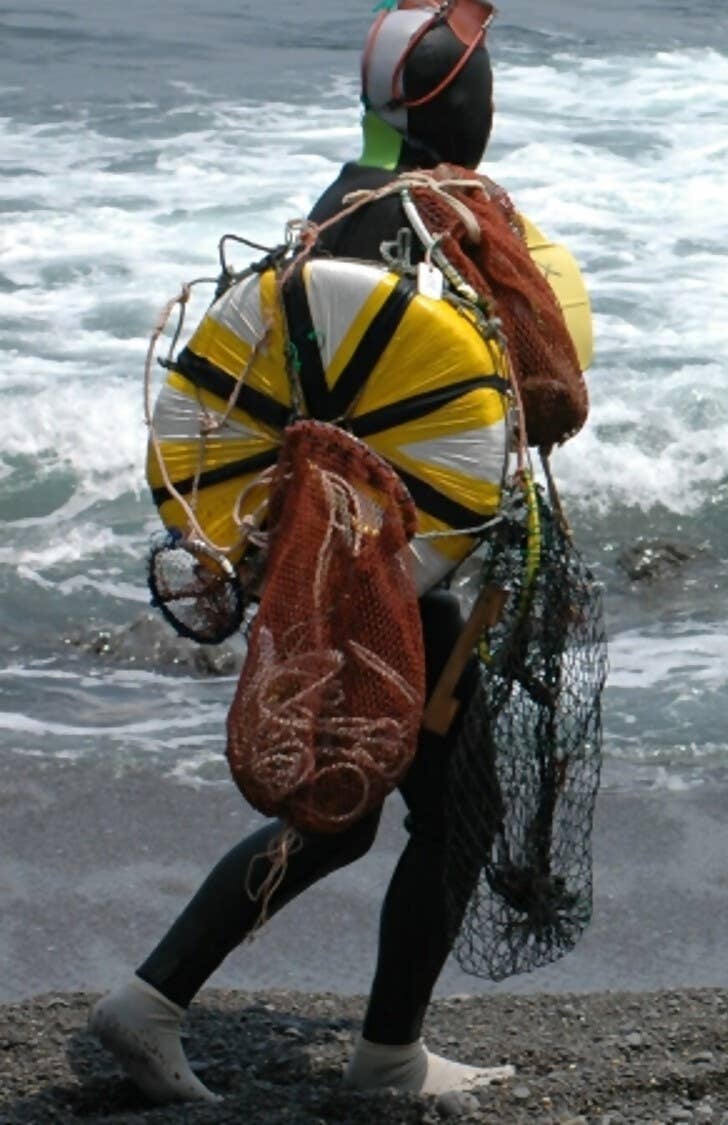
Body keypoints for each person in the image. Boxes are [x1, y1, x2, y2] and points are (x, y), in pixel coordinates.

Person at [89, 2, 516, 1103]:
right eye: (480, 79)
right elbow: (519, 399)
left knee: (345, 810)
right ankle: (385, 1061)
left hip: (345, 553)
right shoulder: (417, 220)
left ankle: (147, 1005)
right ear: (450, 99)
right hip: (389, 566)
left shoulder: (344, 206)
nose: (491, 95)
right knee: (449, 811)